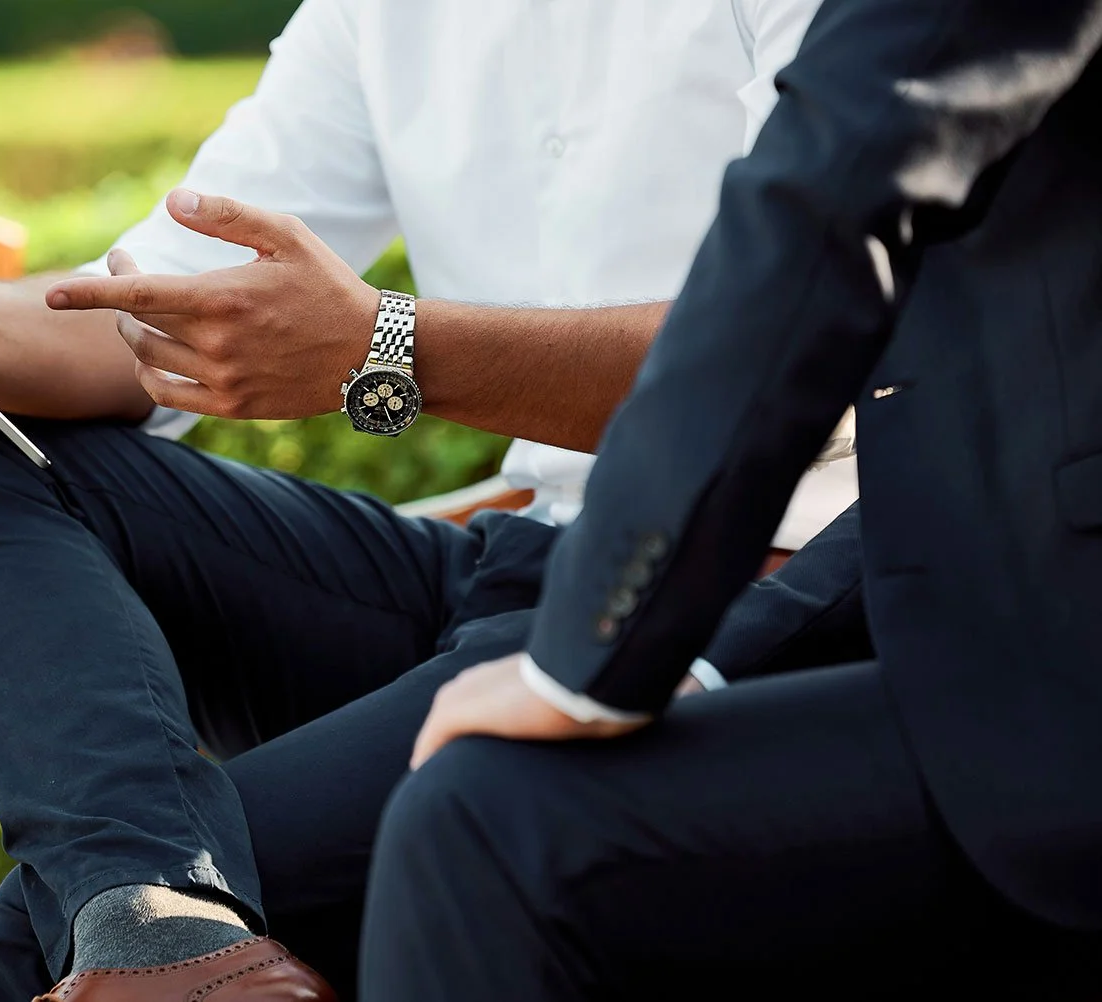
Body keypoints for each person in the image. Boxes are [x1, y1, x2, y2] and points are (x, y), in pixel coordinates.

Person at [0, 1, 842, 999]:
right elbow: (163, 304)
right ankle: (162, 922)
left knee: (47, 935)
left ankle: (157, 931)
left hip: (746, 589)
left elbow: (807, 344)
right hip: (520, 561)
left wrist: (389, 347)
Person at [356, 0, 1102, 998]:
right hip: (963, 633)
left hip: (1052, 685)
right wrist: (697, 655)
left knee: (484, 825)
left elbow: (824, 205)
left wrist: (588, 657)